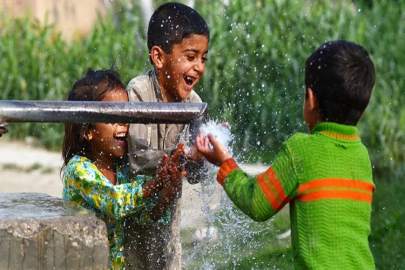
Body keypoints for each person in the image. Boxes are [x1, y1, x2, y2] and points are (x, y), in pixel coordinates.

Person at [196, 40, 376, 269]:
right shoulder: (361, 155)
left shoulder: (300, 151)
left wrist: (226, 163)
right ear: (362, 107)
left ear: (311, 100)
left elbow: (257, 203)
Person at [61, 68, 185, 269]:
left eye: (125, 114)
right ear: (87, 130)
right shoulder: (78, 169)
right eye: (113, 116)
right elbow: (115, 202)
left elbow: (144, 216)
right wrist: (156, 183)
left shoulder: (122, 169)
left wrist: (166, 196)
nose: (124, 123)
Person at [124, 2, 210, 269]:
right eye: (191, 56)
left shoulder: (194, 104)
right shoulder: (139, 92)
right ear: (159, 57)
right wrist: (181, 156)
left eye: (203, 58)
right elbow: (137, 157)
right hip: (132, 227)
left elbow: (197, 176)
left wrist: (205, 155)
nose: (199, 67)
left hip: (168, 233)